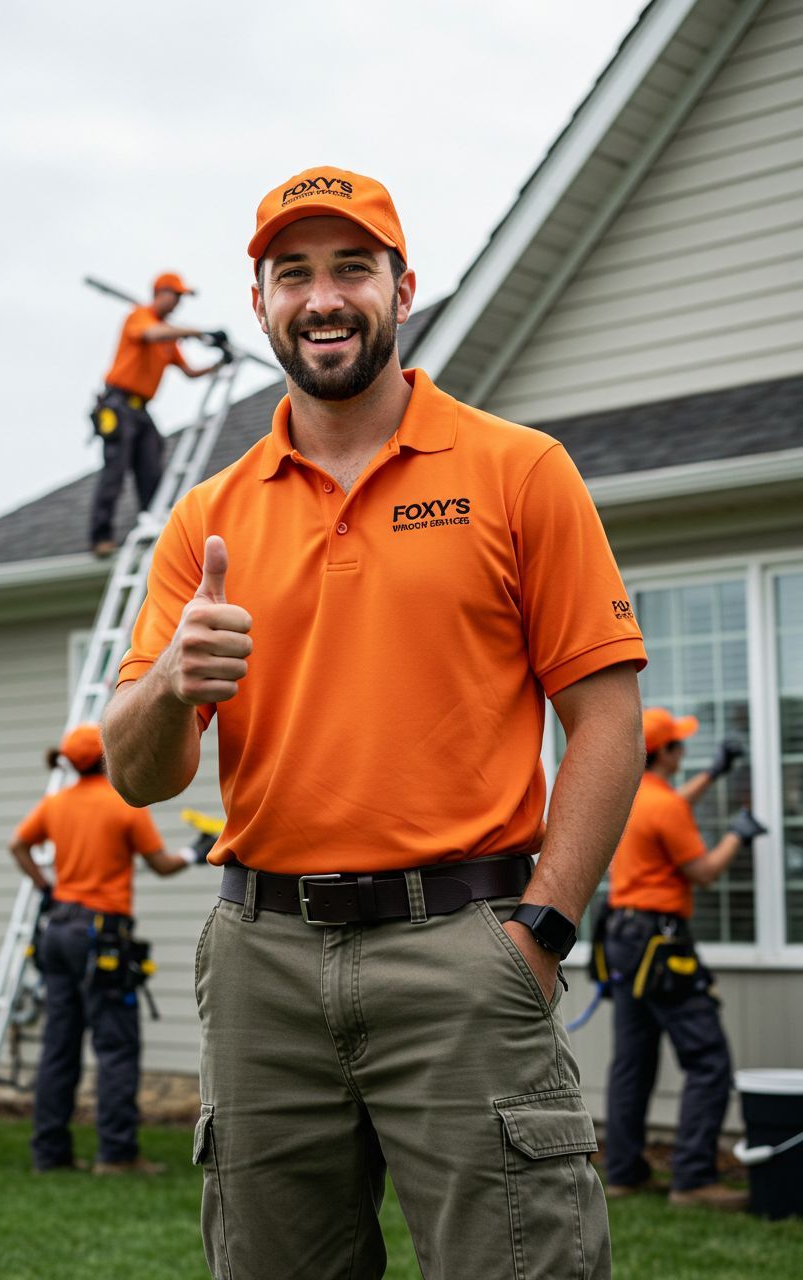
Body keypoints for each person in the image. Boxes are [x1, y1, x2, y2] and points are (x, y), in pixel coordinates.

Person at [103, 166, 649, 1278]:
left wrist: (539, 932)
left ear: (403, 288)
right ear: (259, 303)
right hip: (261, 962)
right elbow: (139, 773)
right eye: (291, 273)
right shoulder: (207, 514)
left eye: (352, 266)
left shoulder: (517, 471)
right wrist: (171, 687)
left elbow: (605, 718)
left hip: (464, 947)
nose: (322, 297)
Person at [9, 722, 213, 1175]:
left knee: (59, 1046)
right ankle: (117, 1155)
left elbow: (18, 844)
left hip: (58, 930)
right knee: (116, 1046)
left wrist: (46, 886)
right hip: (100, 936)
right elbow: (160, 866)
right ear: (105, 759)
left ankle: (50, 1154)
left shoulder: (55, 805)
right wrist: (195, 852)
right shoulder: (123, 805)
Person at [604, 707, 768, 1208]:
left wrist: (713, 775)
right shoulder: (665, 806)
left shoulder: (634, 796)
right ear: (666, 753)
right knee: (708, 1059)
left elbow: (671, 809)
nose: (685, 750)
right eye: (679, 744)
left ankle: (625, 1172)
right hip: (661, 943)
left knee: (632, 1061)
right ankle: (694, 1179)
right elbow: (703, 872)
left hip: (624, 938)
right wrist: (738, 835)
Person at [89, 271, 223, 558]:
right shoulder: (140, 316)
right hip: (118, 403)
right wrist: (195, 331)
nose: (177, 304)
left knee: (152, 468)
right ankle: (100, 537)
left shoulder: (168, 338)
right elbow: (151, 334)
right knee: (115, 470)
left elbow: (189, 372)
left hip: (141, 410)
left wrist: (218, 364)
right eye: (176, 296)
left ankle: (154, 528)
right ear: (161, 293)